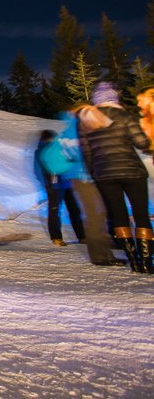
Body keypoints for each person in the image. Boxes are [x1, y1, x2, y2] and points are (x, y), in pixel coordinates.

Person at [78, 82, 153, 273]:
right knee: (141, 214)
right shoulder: (124, 116)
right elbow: (141, 142)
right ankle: (146, 261)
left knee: (119, 215)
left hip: (104, 174)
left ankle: (133, 261)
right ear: (114, 99)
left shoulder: (86, 121)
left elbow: (86, 152)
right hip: (131, 171)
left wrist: (94, 172)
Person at [55, 110, 120, 266]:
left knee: (96, 214)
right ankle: (100, 256)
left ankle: (103, 253)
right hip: (85, 177)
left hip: (78, 177)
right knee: (95, 215)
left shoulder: (64, 132)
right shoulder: (78, 131)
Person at [34, 130, 85, 247]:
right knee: (55, 210)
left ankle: (82, 236)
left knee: (74, 209)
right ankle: (56, 237)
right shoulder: (42, 150)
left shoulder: (59, 149)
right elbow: (41, 169)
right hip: (54, 185)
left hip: (66, 182)